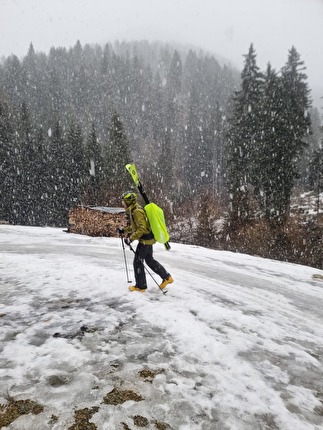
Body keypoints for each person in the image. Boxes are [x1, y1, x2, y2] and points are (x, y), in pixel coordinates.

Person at [117, 192, 173, 292]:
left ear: (130, 202)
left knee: (137, 262)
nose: (123, 205)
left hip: (145, 241)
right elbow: (136, 227)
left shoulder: (136, 212)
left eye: (124, 203)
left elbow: (142, 228)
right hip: (148, 239)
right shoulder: (135, 209)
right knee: (149, 260)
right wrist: (124, 230)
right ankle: (167, 277)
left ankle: (141, 286)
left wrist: (131, 239)